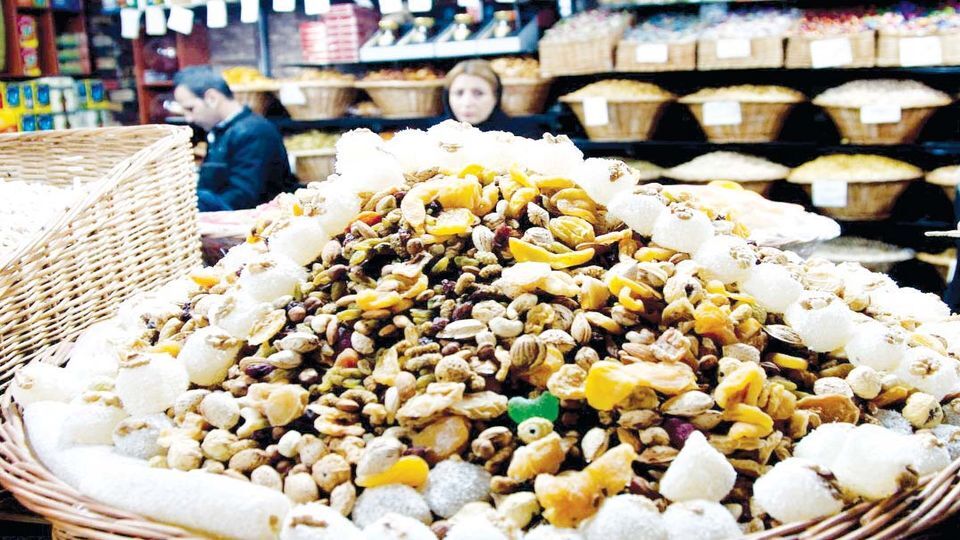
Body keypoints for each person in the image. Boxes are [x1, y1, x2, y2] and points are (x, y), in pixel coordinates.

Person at [173, 66, 297, 212]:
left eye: (190, 109)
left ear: (212, 98)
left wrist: (189, 201)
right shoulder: (223, 131)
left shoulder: (254, 132)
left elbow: (242, 199)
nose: (189, 118)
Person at [442, 59, 539, 137]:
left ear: (496, 96)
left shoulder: (522, 136)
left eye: (478, 93)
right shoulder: (437, 136)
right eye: (459, 93)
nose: (467, 102)